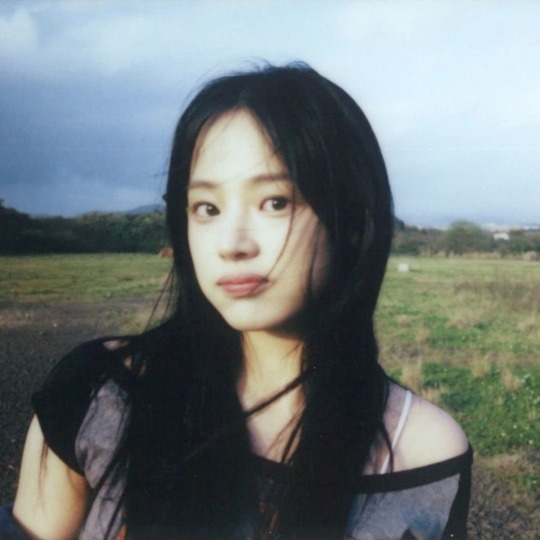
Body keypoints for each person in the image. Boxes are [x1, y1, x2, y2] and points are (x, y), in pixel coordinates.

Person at [6, 62, 472, 539]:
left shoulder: (426, 452)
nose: (231, 244)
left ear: (351, 219)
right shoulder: (99, 393)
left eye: (275, 202)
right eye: (207, 208)